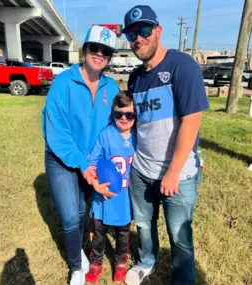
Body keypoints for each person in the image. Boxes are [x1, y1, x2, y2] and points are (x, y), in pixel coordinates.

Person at [121, 5, 210, 285]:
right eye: (132, 33)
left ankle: (183, 280)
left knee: (180, 237)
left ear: (158, 31)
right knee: (145, 225)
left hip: (178, 175)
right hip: (142, 170)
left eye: (145, 30)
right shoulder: (135, 78)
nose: (139, 38)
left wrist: (173, 172)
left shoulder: (182, 66)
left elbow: (191, 122)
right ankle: (146, 261)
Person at [41, 25, 120, 285]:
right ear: (85, 50)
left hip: (92, 161)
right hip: (62, 159)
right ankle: (77, 266)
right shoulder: (63, 82)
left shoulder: (111, 86)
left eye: (106, 51)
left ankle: (78, 247)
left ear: (110, 57)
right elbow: (57, 132)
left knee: (80, 213)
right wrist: (83, 165)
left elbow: (117, 124)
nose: (99, 54)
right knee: (68, 216)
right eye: (95, 48)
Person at [85, 91, 136, 285]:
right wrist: (96, 183)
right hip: (103, 198)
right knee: (99, 232)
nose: (123, 118)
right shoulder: (106, 134)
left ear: (136, 115)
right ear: (112, 114)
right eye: (118, 114)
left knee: (123, 234)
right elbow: (93, 160)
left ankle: (121, 261)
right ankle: (96, 262)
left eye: (129, 114)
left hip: (125, 199)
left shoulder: (139, 137)